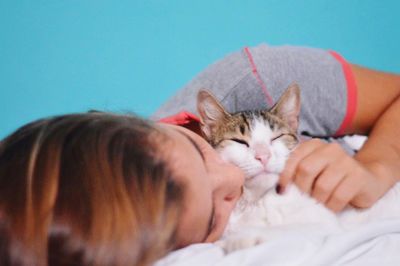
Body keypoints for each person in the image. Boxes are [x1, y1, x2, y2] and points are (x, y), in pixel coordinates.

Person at [0, 44, 399, 265]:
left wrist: (373, 169)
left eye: (198, 148)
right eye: (212, 215)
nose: (232, 179)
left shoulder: (256, 77)